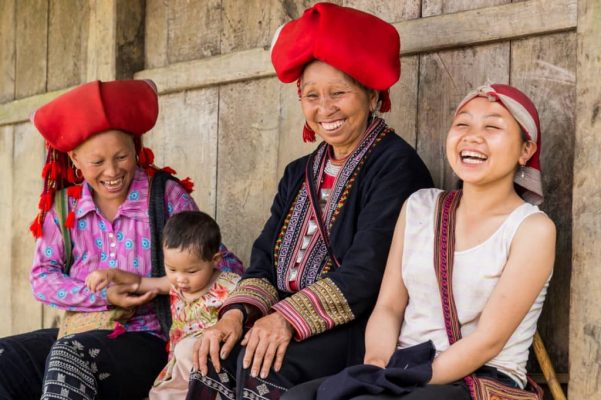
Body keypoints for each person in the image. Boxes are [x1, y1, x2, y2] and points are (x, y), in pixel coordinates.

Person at [186, 3, 433, 399]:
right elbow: (264, 257)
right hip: (283, 316)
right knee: (215, 356)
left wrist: (285, 319)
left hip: (357, 326)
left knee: (262, 366)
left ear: (372, 95)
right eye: (311, 95)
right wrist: (236, 315)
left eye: (339, 93)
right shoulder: (298, 171)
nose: (325, 109)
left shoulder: (397, 167)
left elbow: (366, 273)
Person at [284, 83, 556, 400]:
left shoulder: (531, 228)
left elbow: (488, 341)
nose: (472, 136)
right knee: (299, 397)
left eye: (492, 126)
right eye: (462, 124)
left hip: (477, 377)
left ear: (526, 150)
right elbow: (388, 307)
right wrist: (374, 369)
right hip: (402, 366)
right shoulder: (420, 206)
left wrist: (402, 381)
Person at [0, 79, 243, 400]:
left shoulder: (165, 196)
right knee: (7, 358)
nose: (112, 171)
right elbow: (42, 278)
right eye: (97, 162)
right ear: (74, 159)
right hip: (80, 330)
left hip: (151, 337)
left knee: (69, 356)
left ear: (136, 147)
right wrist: (105, 297)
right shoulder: (65, 208)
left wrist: (170, 286)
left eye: (122, 157)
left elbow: (221, 263)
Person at [85, 211, 241, 400]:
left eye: (191, 271)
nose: (180, 278)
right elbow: (141, 283)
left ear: (215, 260)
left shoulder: (230, 286)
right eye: (172, 269)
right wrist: (111, 275)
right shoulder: (175, 285)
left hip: (209, 366)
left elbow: (246, 314)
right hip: (177, 367)